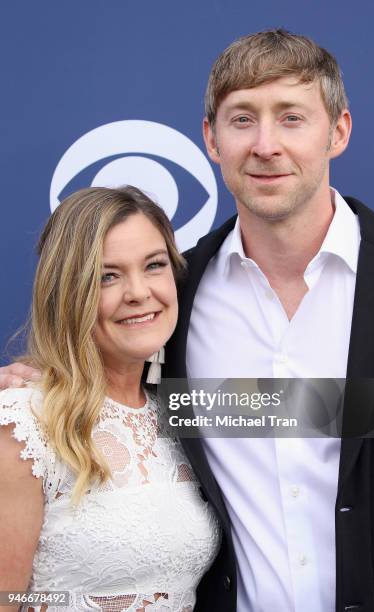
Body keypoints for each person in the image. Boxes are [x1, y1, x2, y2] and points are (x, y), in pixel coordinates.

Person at [3, 28, 374, 612]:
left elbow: (347, 416)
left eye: (291, 117)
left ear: (338, 130)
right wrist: (41, 379)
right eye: (243, 119)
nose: (265, 145)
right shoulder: (174, 300)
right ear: (211, 139)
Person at [0, 186, 221, 612]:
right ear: (68, 292)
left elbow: (347, 411)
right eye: (108, 276)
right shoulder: (23, 425)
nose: (138, 292)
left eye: (154, 266)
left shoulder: (179, 408)